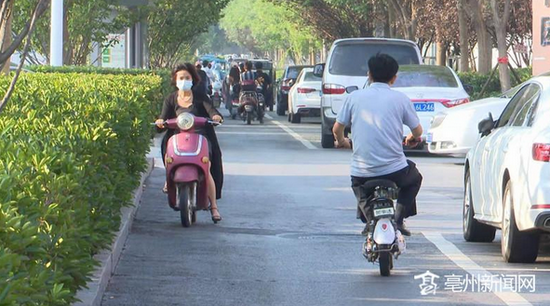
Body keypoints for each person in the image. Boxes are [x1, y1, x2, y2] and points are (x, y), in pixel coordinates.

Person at [332, 53, 423, 236]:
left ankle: (369, 219)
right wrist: (412, 138)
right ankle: (398, 220)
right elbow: (418, 131)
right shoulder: (400, 99)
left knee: (359, 187)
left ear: (369, 74)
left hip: (362, 172)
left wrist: (342, 141)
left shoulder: (354, 97)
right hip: (395, 170)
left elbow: (337, 129)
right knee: (414, 178)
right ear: (394, 78)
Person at [155, 63, 224, 222]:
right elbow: (163, 118)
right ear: (175, 80)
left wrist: (215, 117)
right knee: (167, 150)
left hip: (201, 137)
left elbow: (213, 112)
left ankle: (213, 207)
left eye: (187, 77)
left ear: (193, 79)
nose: (184, 80)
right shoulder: (171, 99)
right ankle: (169, 175)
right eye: (181, 78)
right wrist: (160, 122)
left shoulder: (200, 97)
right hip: (177, 136)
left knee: (207, 169)